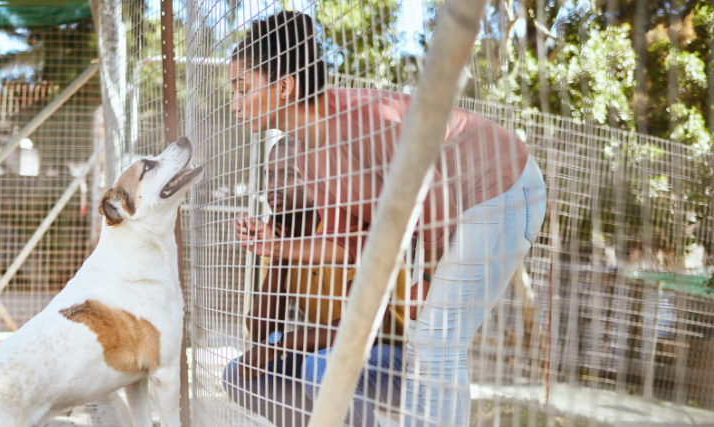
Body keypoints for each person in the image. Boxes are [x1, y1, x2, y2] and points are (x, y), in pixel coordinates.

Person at [227, 11, 547, 427]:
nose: (233, 103)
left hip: (501, 188)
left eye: (241, 88)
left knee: (435, 341)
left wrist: (426, 281)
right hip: (454, 213)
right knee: (429, 342)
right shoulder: (306, 156)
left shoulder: (364, 120)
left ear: (284, 87)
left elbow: (438, 205)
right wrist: (275, 244)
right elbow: (349, 243)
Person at [222, 136, 411, 427]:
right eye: (270, 174)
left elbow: (362, 327)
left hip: (390, 359)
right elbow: (261, 332)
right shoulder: (284, 238)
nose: (274, 184)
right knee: (236, 375)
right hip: (324, 355)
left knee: (317, 367)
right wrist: (280, 255)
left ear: (317, 182)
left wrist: (282, 346)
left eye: (289, 173)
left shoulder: (350, 225)